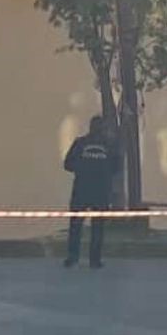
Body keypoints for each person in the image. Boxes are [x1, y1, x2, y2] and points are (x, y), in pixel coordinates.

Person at [63, 114, 119, 270]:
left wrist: (83, 169)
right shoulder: (109, 145)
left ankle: (73, 257)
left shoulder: (80, 143)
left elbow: (68, 164)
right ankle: (95, 260)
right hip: (100, 191)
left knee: (76, 225)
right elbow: (117, 168)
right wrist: (103, 172)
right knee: (98, 227)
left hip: (81, 189)